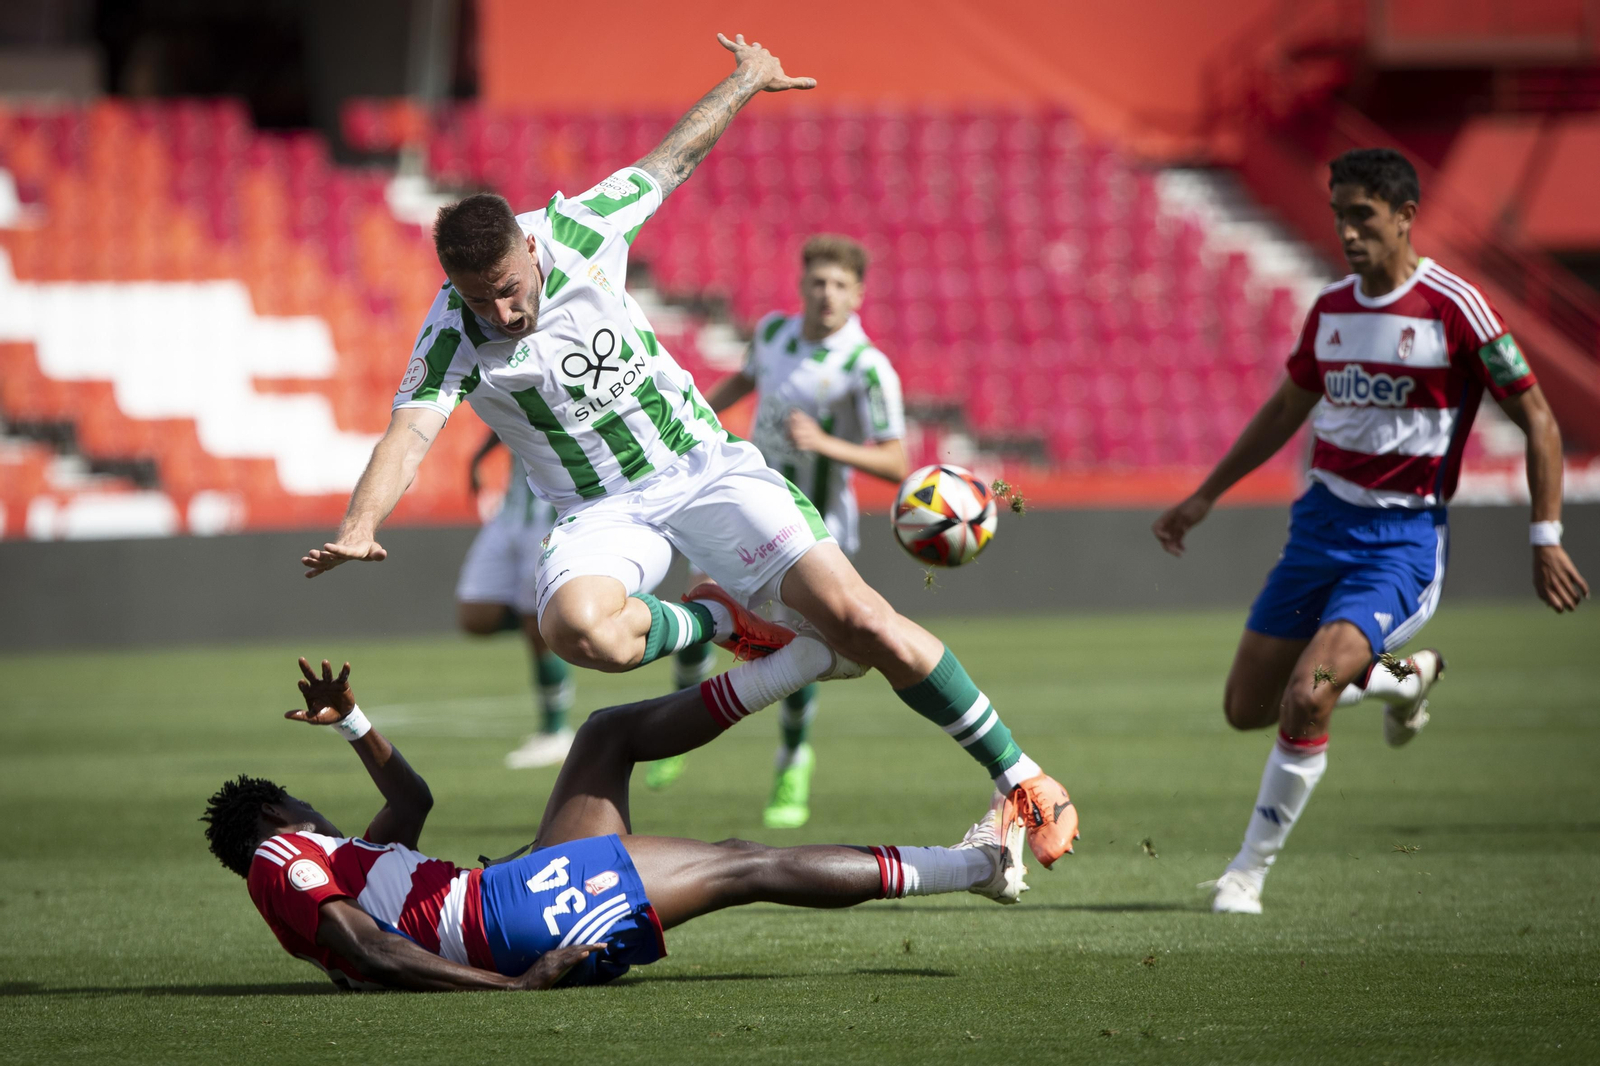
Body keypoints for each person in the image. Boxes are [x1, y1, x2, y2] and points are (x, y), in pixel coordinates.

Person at [299, 32, 1079, 867]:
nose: (502, 314)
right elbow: (409, 432)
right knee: (579, 632)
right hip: (599, 508)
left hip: (702, 467)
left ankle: (1024, 778)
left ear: (528, 247)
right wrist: (360, 522)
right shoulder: (452, 333)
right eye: (479, 300)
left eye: (510, 292)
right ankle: (719, 619)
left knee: (863, 624)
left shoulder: (581, 228)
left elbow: (672, 159)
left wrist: (746, 79)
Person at [1152, 148, 1589, 915]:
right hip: (1318, 531)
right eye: (1340, 217)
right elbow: (1285, 410)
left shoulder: (1456, 308)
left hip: (1398, 546)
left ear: (1405, 216)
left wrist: (1545, 535)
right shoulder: (1331, 310)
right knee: (1247, 708)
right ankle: (1401, 679)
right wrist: (1205, 496)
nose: (1348, 232)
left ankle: (1246, 874)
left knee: (1309, 694)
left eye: (1364, 216)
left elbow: (1540, 421)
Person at [202, 651, 1028, 992]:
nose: (316, 814)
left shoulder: (338, 863)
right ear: (276, 812)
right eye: (301, 806)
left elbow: (412, 804)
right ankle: (979, 867)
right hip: (508, 924)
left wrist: (354, 722)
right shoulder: (282, 858)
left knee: (605, 735)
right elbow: (367, 947)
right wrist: (513, 987)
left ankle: (803, 658)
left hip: (505, 895)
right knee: (739, 864)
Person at [649, 235, 908, 829]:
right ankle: (673, 734)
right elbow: (743, 382)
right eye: (818, 282)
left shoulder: (866, 366)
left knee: (801, 648)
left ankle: (792, 761)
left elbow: (897, 462)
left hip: (813, 529)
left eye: (839, 285)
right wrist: (690, 420)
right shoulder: (772, 334)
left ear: (858, 295)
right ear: (802, 286)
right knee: (699, 611)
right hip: (743, 506)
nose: (827, 294)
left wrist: (825, 444)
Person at [457, 431, 575, 769]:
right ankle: (561, 619)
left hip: (549, 515)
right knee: (475, 615)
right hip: (509, 514)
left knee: (535, 621)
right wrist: (479, 456)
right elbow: (508, 415)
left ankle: (556, 730)